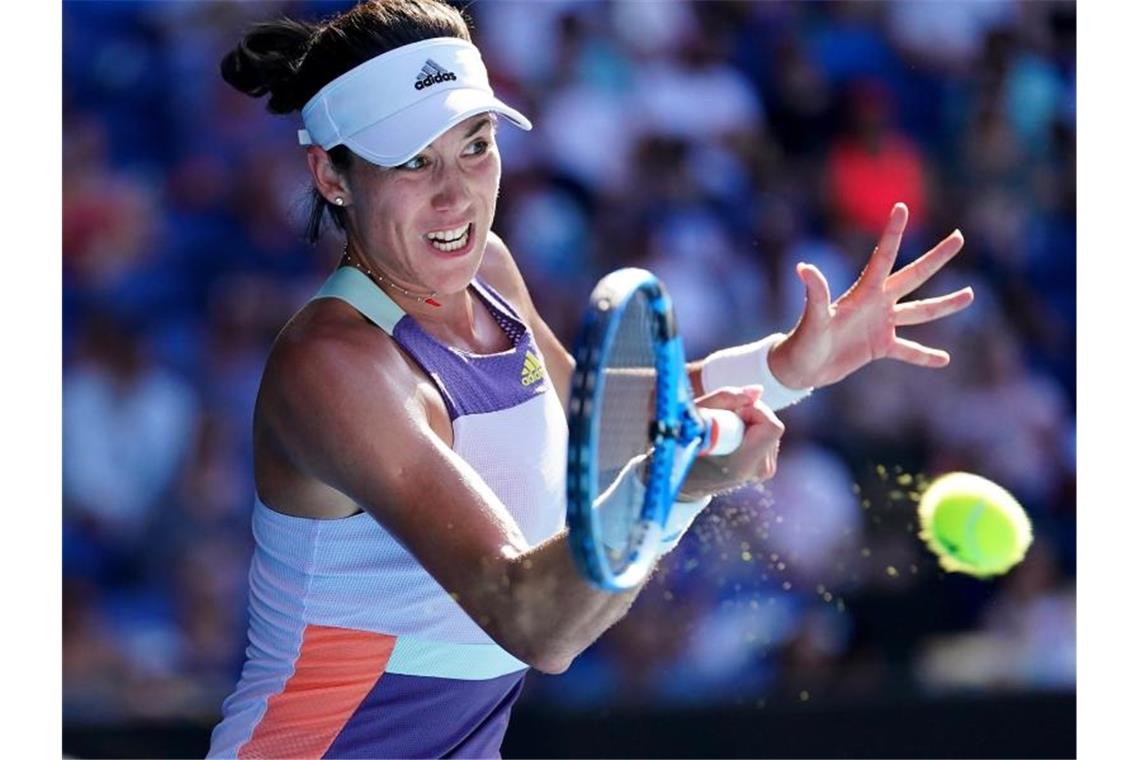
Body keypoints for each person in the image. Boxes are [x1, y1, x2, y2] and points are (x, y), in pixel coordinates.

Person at [208, 2, 973, 757]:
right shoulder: (334, 367)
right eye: (412, 161)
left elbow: (598, 430)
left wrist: (784, 367)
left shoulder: (491, 274)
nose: (456, 195)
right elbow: (534, 619)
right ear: (332, 177)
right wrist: (682, 481)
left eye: (476, 147)